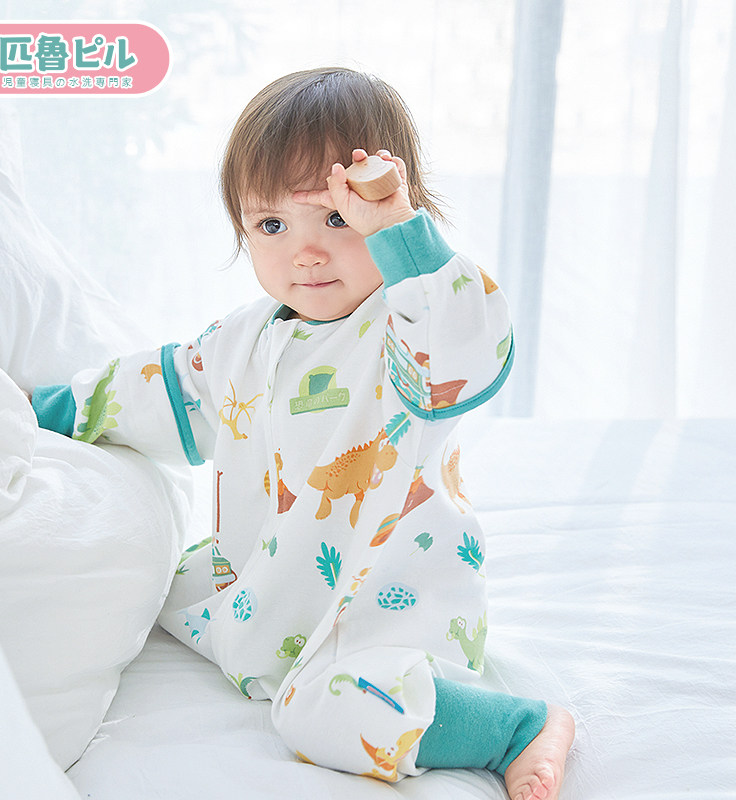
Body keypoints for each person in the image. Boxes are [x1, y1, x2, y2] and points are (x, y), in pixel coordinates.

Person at [31, 67, 574, 799]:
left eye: (338, 221)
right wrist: (43, 411)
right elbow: (160, 388)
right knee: (154, 585)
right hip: (273, 585)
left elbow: (461, 347)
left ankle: (515, 728)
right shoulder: (243, 338)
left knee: (322, 713)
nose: (305, 253)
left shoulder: (407, 327)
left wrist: (399, 235)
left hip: (389, 596)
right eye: (271, 226)